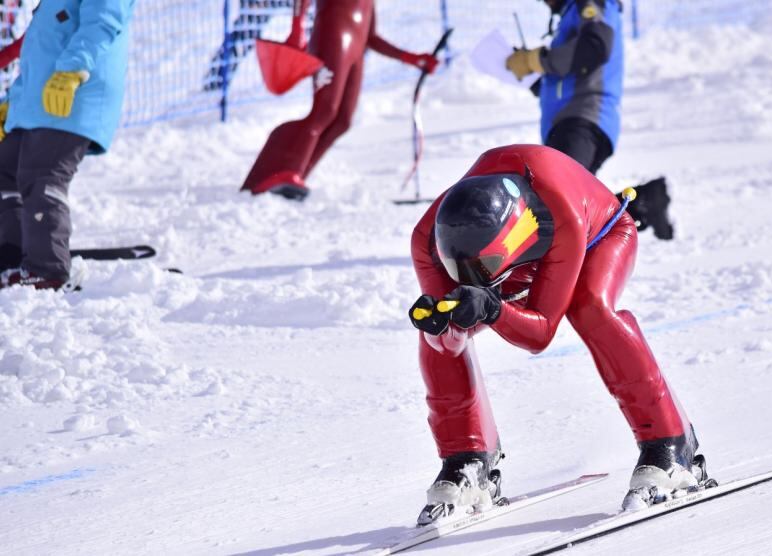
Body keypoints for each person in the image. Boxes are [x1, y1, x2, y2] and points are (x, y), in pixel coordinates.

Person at [407, 144, 712, 525]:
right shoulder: (426, 239)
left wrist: (495, 308)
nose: (467, 279)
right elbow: (449, 335)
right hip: (518, 254)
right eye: (455, 268)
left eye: (480, 267)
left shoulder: (559, 210)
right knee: (437, 325)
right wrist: (444, 328)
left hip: (598, 235)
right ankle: (468, 459)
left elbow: (540, 333)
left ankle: (671, 444)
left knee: (591, 308)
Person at [505, 0, 675, 240]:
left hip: (582, 119)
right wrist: (533, 75)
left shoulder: (591, 4)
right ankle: (643, 202)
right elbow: (573, 74)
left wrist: (538, 60)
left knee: (555, 209)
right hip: (573, 120)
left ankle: (641, 204)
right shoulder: (572, 13)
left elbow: (594, 47)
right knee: (568, 210)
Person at [240, 0, 439, 200]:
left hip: (355, 49)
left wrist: (411, 58)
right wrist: (297, 26)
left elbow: (370, 36)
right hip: (331, 38)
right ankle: (286, 173)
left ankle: (294, 173)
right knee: (324, 112)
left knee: (342, 121)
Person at [0, 0, 135, 290]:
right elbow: (39, 52)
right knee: (4, 168)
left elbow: (102, 22)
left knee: (42, 175)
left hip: (74, 94)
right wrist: (12, 103)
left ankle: (46, 269)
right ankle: (12, 252)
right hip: (39, 100)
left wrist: (73, 70)